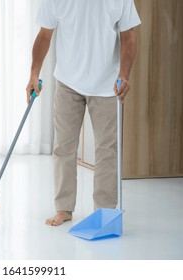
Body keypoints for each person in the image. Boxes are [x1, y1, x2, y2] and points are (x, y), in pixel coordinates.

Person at [26, 0, 141, 226]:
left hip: (108, 85)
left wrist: (124, 73)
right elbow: (44, 36)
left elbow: (128, 36)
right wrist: (33, 73)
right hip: (68, 81)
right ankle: (64, 208)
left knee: (107, 151)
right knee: (63, 148)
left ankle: (105, 213)